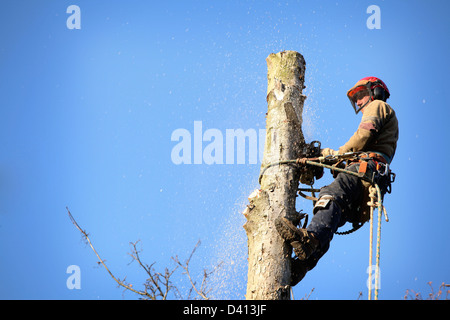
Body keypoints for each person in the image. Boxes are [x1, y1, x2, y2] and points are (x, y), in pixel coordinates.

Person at [275, 77, 399, 286]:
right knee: (332, 215)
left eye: (361, 96)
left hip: (365, 170)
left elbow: (363, 135)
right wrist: (321, 156)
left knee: (330, 195)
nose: (359, 103)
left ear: (375, 92)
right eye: (356, 99)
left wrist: (337, 155)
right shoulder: (380, 129)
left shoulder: (379, 106)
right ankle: (303, 264)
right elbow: (348, 154)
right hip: (366, 181)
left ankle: (309, 241)